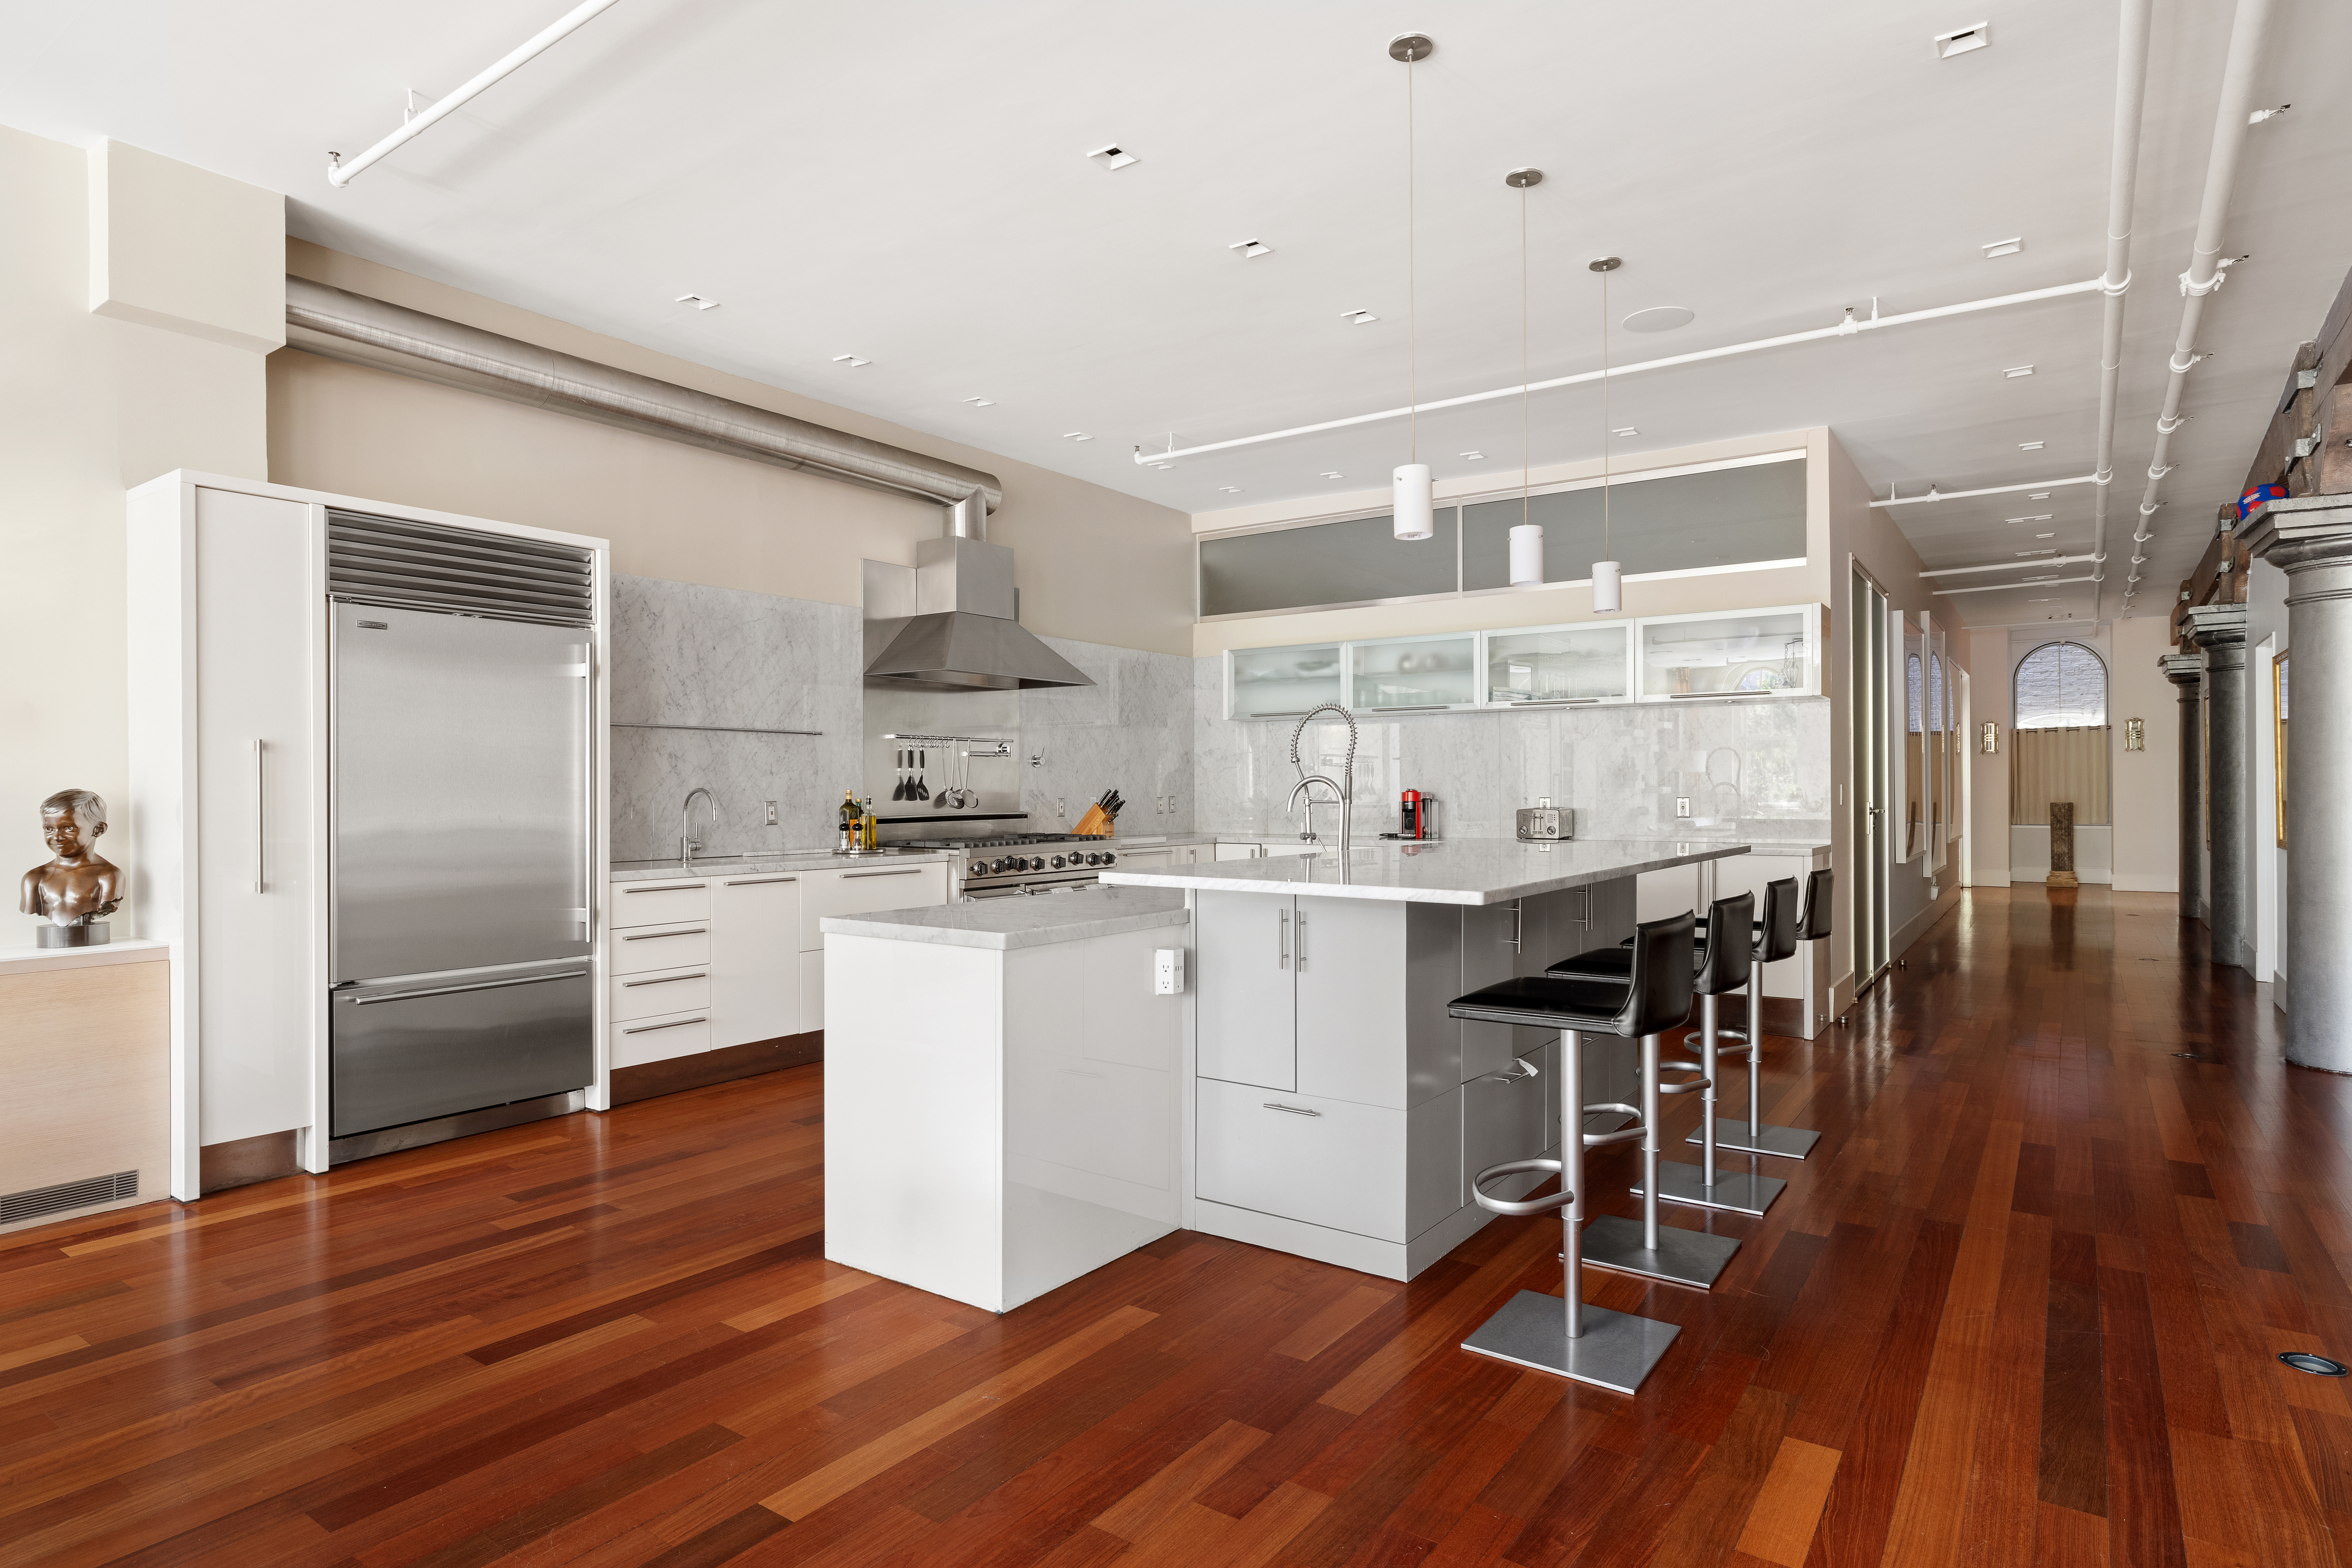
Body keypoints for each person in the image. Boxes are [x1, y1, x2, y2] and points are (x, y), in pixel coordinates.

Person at [20, 788, 124, 929]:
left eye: (69, 828)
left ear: (98, 829)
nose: (57, 837)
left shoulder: (109, 876)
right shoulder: (34, 879)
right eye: (49, 829)